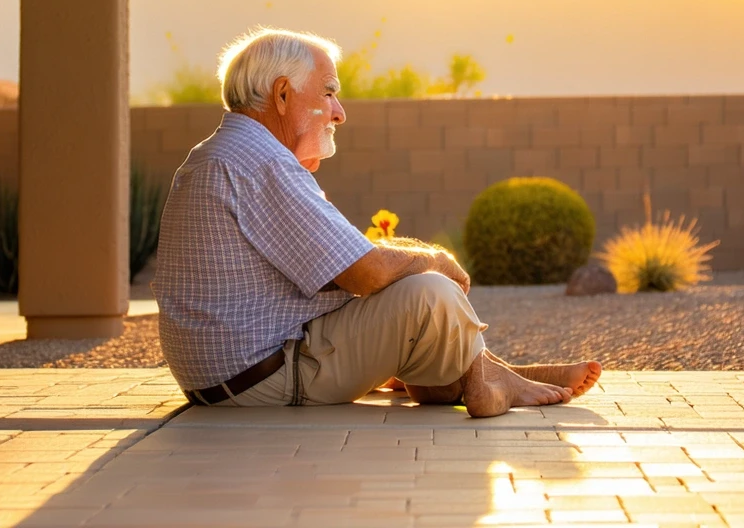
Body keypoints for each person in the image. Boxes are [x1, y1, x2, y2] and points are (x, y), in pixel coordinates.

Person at [152, 27, 601, 417]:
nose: (339, 111)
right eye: (328, 93)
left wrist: (412, 263)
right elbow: (366, 273)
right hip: (262, 379)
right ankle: (489, 382)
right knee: (432, 292)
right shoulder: (261, 161)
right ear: (283, 95)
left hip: (226, 378)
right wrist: (438, 260)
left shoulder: (222, 154)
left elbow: (347, 263)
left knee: (411, 285)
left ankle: (473, 377)